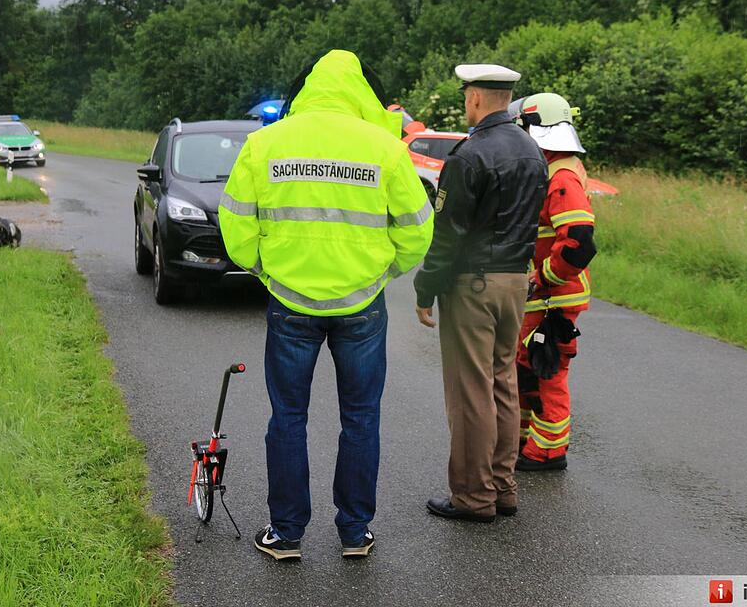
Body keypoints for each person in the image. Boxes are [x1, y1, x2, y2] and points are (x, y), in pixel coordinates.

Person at [219, 50, 434, 560]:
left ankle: (286, 533)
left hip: (289, 302)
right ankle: (355, 533)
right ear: (358, 91)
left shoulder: (263, 144)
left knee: (287, 419)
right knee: (360, 418)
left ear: (309, 88)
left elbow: (234, 224)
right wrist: (384, 272)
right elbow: (418, 229)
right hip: (362, 304)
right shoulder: (385, 148)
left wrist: (265, 270)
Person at [413, 64, 547, 522]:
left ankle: (473, 496)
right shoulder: (533, 150)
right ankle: (503, 488)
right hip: (515, 281)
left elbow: (448, 234)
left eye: (466, 94)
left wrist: (425, 287)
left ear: (474, 98)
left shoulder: (469, 156)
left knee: (470, 391)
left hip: (474, 284)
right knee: (503, 383)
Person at [508, 93, 596, 471]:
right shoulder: (555, 169)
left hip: (552, 297)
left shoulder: (561, 177)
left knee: (548, 369)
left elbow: (578, 242)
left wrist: (543, 279)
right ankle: (528, 439)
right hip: (545, 296)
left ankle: (548, 451)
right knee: (526, 365)